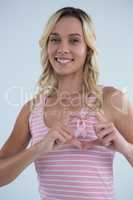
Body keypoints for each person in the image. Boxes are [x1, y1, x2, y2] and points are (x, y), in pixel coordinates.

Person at [0, 6, 133, 200]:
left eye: (74, 40)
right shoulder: (31, 110)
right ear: (47, 46)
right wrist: (37, 149)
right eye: (54, 39)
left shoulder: (111, 100)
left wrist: (126, 149)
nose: (62, 48)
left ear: (88, 49)